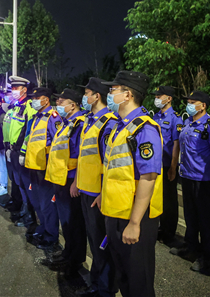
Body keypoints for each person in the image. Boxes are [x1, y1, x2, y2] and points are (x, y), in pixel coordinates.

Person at [96, 71, 163, 297]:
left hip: (135, 216)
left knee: (138, 282)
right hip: (116, 212)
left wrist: (135, 223)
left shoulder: (145, 130)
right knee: (123, 276)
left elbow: (148, 178)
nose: (109, 93)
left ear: (128, 95)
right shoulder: (120, 127)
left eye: (113, 90)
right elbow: (115, 171)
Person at [170, 90, 210, 272]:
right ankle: (190, 247)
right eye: (189, 102)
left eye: (193, 102)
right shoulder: (187, 124)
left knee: (204, 219)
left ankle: (206, 256)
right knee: (190, 215)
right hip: (187, 176)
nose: (189, 105)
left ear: (203, 105)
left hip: (204, 179)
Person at [75, 77, 118, 297]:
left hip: (97, 195)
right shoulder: (90, 120)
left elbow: (109, 163)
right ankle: (96, 283)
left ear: (96, 96)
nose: (84, 97)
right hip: (85, 189)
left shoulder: (108, 124)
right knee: (94, 242)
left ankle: (104, 289)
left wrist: (102, 192)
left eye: (87, 93)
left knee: (102, 246)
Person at [44, 88, 87, 274]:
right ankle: (68, 252)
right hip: (61, 178)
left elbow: (81, 155)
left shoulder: (79, 123)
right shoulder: (66, 123)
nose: (58, 105)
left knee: (74, 223)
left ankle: (75, 260)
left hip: (70, 181)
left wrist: (76, 181)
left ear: (73, 104)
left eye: (61, 102)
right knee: (67, 223)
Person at [22, 87, 62, 251]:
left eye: (37, 97)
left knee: (47, 205)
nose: (33, 100)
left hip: (45, 169)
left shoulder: (53, 118)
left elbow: (58, 143)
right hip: (34, 168)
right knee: (38, 203)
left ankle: (51, 237)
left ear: (46, 100)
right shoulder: (38, 117)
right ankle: (44, 229)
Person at [2, 76, 37, 227]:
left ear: (24, 89)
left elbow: (28, 133)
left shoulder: (28, 108)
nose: (14, 91)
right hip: (12, 151)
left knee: (25, 185)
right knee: (18, 183)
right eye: (13, 88)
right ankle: (23, 210)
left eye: (16, 88)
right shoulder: (15, 107)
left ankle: (30, 216)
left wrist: (22, 152)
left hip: (21, 152)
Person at [151, 86, 183, 247]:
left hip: (167, 164)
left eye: (159, 95)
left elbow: (176, 144)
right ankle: (161, 228)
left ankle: (169, 233)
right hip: (156, 164)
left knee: (169, 201)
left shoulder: (175, 118)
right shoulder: (156, 116)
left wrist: (173, 166)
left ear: (169, 98)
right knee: (158, 198)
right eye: (156, 95)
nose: (157, 98)